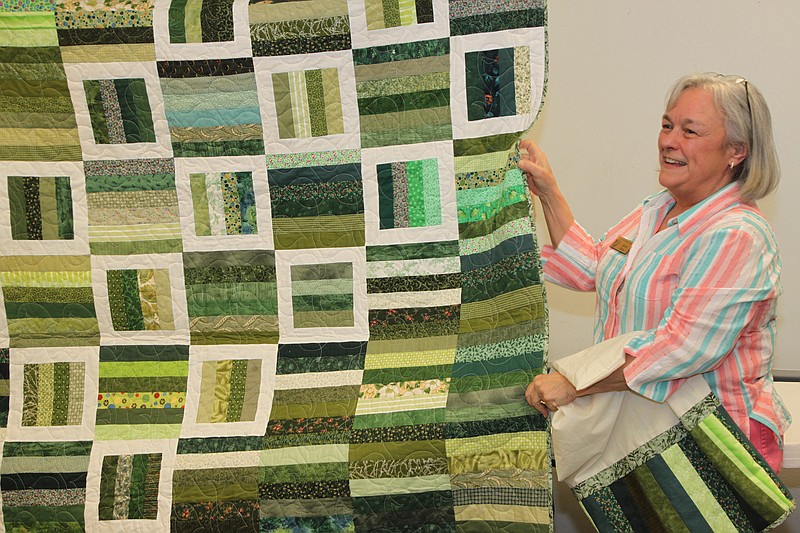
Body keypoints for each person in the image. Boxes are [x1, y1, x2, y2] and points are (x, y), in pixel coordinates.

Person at [519, 72, 790, 473]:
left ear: (736, 150)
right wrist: (548, 194)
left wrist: (574, 383)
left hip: (712, 444)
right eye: (667, 125)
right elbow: (596, 268)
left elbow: (681, 348)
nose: (668, 140)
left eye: (690, 131)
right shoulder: (659, 208)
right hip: (646, 432)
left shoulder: (735, 235)